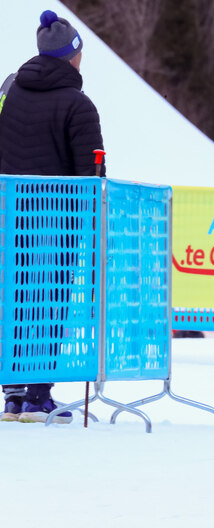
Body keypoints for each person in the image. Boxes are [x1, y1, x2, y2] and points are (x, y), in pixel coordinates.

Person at [0, 10, 105, 424]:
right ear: (72, 56)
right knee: (49, 301)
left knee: (14, 299)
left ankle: (13, 394)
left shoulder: (8, 89)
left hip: (10, 215)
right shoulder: (79, 105)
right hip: (57, 219)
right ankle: (38, 396)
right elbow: (91, 174)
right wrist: (94, 218)